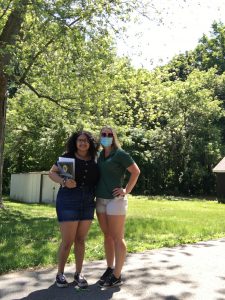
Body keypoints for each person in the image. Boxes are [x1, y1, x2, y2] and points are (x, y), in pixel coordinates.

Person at [49, 131, 99, 288]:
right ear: (75, 142)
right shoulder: (67, 157)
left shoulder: (95, 159)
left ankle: (78, 273)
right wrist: (64, 181)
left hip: (89, 201)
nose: (83, 143)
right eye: (80, 140)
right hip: (68, 200)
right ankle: (60, 274)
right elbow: (52, 173)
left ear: (90, 143)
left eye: (86, 141)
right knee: (68, 241)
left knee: (80, 240)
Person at [96, 126, 140, 288]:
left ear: (113, 137)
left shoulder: (120, 154)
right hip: (100, 200)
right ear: (100, 136)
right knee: (107, 236)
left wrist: (126, 190)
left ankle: (117, 275)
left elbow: (136, 171)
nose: (106, 136)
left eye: (109, 134)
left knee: (117, 237)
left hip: (116, 201)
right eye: (103, 134)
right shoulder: (100, 154)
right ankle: (110, 269)